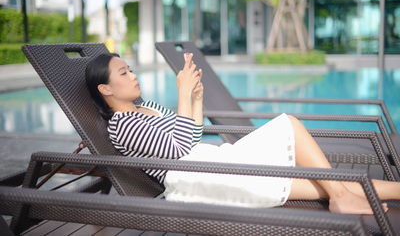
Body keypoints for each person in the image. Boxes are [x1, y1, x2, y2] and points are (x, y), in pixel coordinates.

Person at [85, 52, 400, 214]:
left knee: (323, 181)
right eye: (125, 72)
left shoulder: (145, 108)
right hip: (196, 178)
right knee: (288, 124)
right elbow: (178, 152)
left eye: (131, 69)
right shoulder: (122, 125)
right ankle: (342, 198)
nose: (133, 75)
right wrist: (182, 95)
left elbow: (190, 135)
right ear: (106, 88)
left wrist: (194, 97)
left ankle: (357, 195)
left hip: (211, 161)